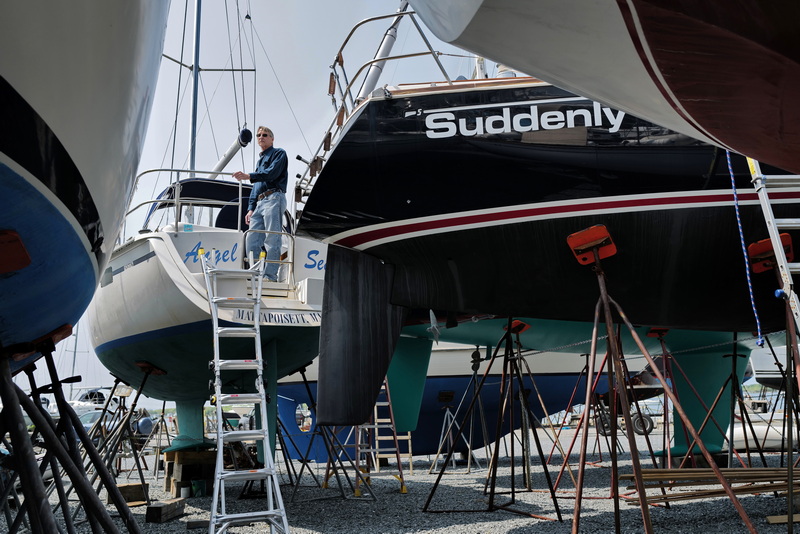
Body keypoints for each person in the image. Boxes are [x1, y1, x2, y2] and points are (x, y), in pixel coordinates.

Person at [233, 126, 287, 281]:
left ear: (272, 138)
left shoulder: (279, 153)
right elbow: (256, 187)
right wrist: (250, 208)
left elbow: (272, 174)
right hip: (260, 203)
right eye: (258, 135)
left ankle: (270, 276)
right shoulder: (260, 161)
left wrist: (248, 175)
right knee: (251, 240)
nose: (261, 137)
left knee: (272, 238)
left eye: (265, 135)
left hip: (274, 198)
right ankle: (255, 274)